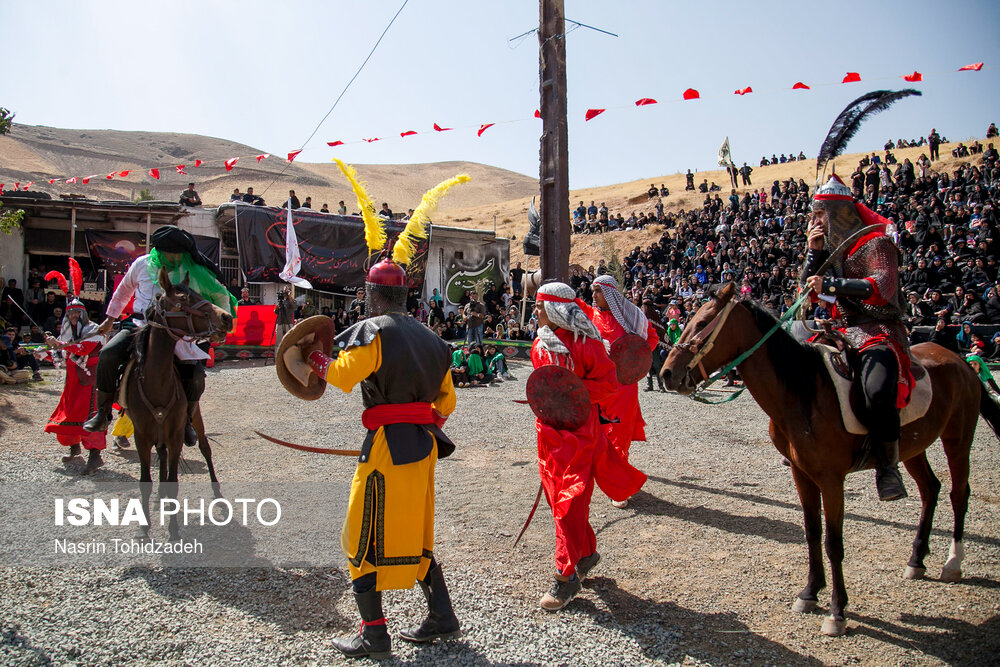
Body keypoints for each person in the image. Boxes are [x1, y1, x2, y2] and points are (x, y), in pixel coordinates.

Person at [281, 255, 461, 660]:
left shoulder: (374, 332)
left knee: (358, 534)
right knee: (416, 531)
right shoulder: (435, 340)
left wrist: (310, 357)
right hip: (423, 446)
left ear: (373, 295)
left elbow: (343, 375)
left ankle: (375, 635)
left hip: (386, 449)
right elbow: (446, 400)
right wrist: (412, 418)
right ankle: (443, 616)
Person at [530, 282, 646, 610]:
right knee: (559, 503)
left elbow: (610, 384)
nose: (535, 311)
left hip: (581, 436)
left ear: (555, 310)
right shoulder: (539, 343)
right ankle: (587, 552)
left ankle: (564, 578)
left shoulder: (586, 344)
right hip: (548, 436)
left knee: (570, 502)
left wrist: (573, 390)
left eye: (540, 305)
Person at [801, 175, 912, 501]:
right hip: (839, 332)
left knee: (877, 390)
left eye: (820, 215)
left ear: (838, 214)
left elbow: (882, 287)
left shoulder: (877, 244)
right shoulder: (831, 254)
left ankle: (888, 467)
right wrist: (814, 254)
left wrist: (831, 286)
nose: (814, 222)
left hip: (877, 331)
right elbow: (810, 295)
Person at [82, 226, 237, 448]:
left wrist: (223, 326)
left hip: (176, 331)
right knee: (108, 353)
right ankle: (103, 413)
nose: (176, 258)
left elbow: (221, 294)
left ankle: (186, 422)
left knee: (195, 376)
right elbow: (124, 290)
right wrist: (109, 319)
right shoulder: (141, 264)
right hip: (140, 325)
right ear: (160, 251)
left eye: (179, 253)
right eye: (172, 253)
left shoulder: (193, 270)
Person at [579, 275, 657, 509]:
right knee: (597, 433)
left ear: (610, 294)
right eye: (592, 291)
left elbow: (650, 340)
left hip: (623, 387)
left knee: (619, 436)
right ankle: (604, 475)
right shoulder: (590, 316)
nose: (594, 296)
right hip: (597, 386)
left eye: (598, 291)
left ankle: (618, 487)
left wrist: (630, 361)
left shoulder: (631, 316)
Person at [43, 282, 107, 474]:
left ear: (84, 314)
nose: (73, 316)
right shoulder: (67, 333)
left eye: (77, 313)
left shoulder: (93, 330)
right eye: (70, 313)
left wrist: (60, 344)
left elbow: (82, 349)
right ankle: (74, 447)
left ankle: (95, 456)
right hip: (73, 381)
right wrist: (42, 350)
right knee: (70, 413)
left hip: (90, 381)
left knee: (91, 416)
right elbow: (63, 355)